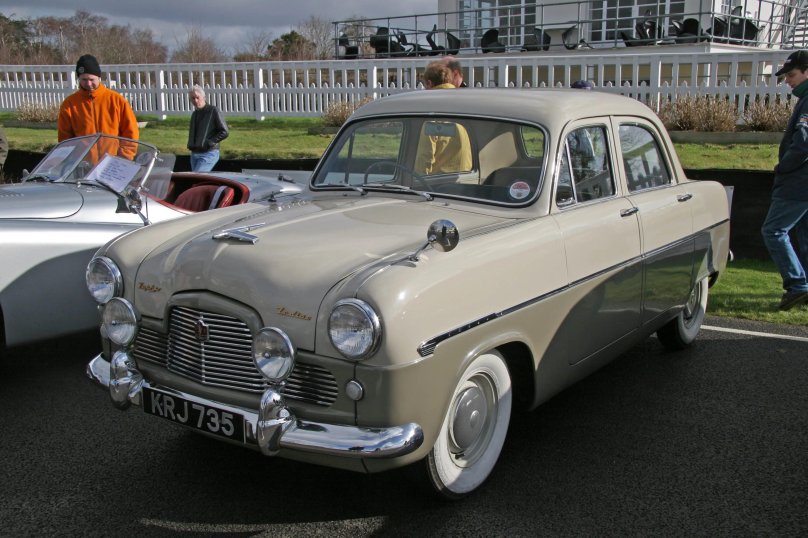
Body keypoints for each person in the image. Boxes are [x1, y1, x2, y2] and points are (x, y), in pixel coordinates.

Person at [762, 50, 808, 310]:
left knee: (773, 231)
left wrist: (783, 167)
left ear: (806, 71)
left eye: (791, 75)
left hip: (797, 181)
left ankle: (797, 285)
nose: (788, 81)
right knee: (803, 234)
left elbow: (803, 144)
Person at [57, 54, 139, 142]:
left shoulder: (117, 101)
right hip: (84, 156)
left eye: (92, 79)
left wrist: (123, 155)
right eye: (84, 80)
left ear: (99, 78)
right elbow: (65, 140)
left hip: (113, 155)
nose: (88, 83)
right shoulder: (69, 105)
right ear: (79, 79)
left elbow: (131, 134)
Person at [415, 61, 472, 175]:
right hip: (468, 178)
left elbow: (425, 156)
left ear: (429, 84)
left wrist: (417, 182)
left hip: (439, 184)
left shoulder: (432, 111)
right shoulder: (466, 105)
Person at [187, 85, 229, 172]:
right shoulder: (195, 114)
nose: (195, 100)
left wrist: (211, 142)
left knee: (197, 178)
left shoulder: (213, 110)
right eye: (193, 98)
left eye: (197, 97)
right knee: (194, 180)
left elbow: (224, 131)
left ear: (203, 97)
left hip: (209, 153)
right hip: (194, 153)